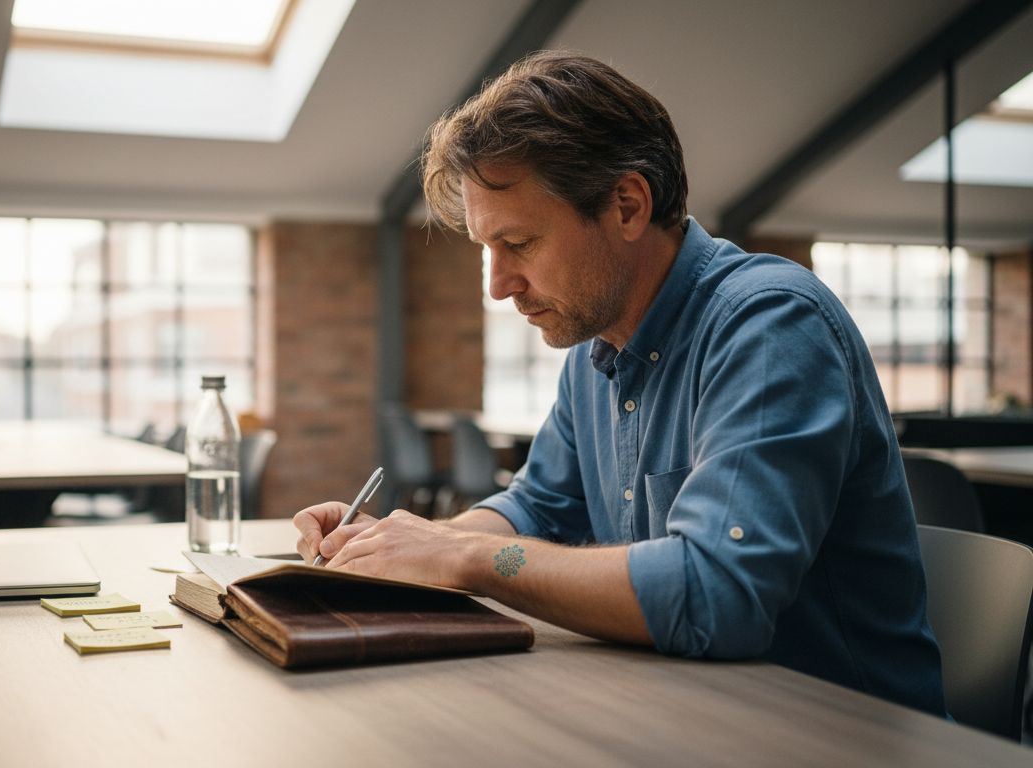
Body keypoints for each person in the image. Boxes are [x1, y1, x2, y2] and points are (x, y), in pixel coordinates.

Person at [294, 51, 946, 716]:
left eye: (519, 244)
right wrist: (398, 550)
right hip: (687, 712)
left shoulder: (769, 324)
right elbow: (535, 509)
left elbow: (718, 594)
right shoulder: (595, 348)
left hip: (839, 733)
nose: (497, 287)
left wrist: (458, 556)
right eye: (487, 252)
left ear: (628, 204)